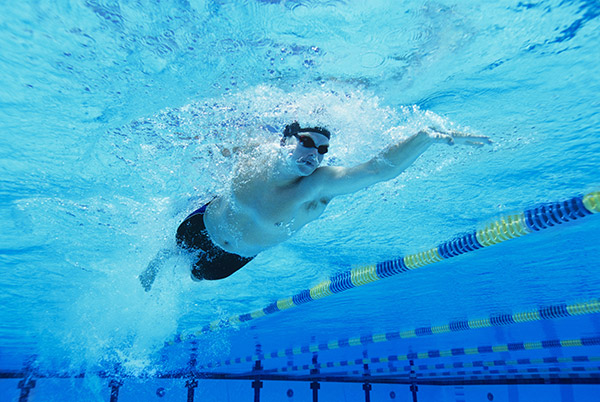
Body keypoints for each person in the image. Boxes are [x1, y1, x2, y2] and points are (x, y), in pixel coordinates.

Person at [139, 122, 490, 290]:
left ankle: (170, 266)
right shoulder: (255, 153)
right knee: (174, 249)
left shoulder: (317, 186)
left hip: (234, 257)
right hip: (201, 223)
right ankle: (157, 262)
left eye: (322, 150)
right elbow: (210, 145)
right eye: (307, 143)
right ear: (284, 142)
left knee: (196, 275)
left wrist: (424, 137)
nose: (315, 154)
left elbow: (377, 169)